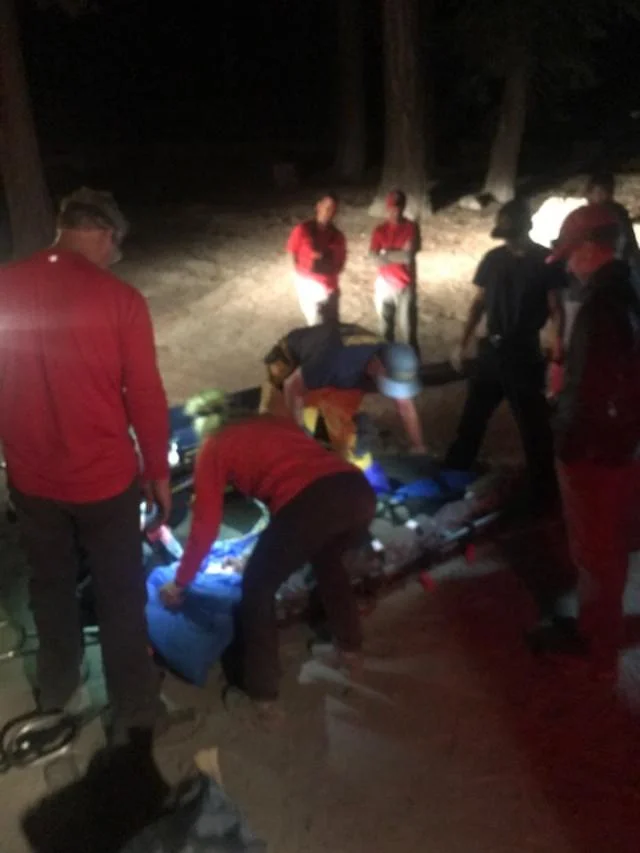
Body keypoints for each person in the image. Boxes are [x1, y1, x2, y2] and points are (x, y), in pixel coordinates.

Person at [0, 188, 196, 745]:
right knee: (119, 595)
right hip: (104, 482)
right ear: (105, 234)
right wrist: (157, 471)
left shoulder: (5, 285)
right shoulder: (120, 300)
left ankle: (58, 689)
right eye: (115, 247)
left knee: (50, 586)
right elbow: (145, 393)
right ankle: (134, 711)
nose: (114, 258)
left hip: (32, 479)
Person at [158, 398, 377, 724]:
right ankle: (351, 653)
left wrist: (180, 582)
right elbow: (292, 502)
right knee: (328, 562)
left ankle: (263, 695)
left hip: (312, 503)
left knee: (257, 588)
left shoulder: (214, 446)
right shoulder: (275, 423)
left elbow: (205, 526)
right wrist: (262, 553)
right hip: (356, 491)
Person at [531, 259, 640, 679]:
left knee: (596, 546)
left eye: (571, 250)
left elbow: (596, 387)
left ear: (592, 249)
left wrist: (572, 438)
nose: (567, 263)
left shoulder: (603, 307)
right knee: (609, 541)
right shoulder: (627, 292)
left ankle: (596, 642)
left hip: (596, 448)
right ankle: (604, 629)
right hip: (620, 444)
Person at [445, 199, 565, 506]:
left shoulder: (545, 261)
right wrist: (463, 341)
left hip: (523, 351)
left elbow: (555, 308)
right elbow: (478, 302)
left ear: (526, 229)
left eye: (513, 234)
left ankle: (544, 492)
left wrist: (557, 343)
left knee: (533, 427)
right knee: (472, 420)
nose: (509, 240)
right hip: (492, 349)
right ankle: (452, 477)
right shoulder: (493, 259)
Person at [258, 321, 427, 470]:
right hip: (290, 360)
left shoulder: (390, 358)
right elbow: (292, 386)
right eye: (390, 383)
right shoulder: (336, 361)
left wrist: (418, 446)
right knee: (283, 426)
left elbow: (405, 406)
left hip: (335, 368)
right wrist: (299, 432)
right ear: (376, 365)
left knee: (339, 423)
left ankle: (333, 452)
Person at [547, 172, 638, 353]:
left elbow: (629, 245)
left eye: (608, 192)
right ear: (589, 193)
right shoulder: (579, 216)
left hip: (612, 273)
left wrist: (630, 262)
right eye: (600, 191)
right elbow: (565, 243)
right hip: (581, 275)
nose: (604, 196)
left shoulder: (617, 214)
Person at [369, 189, 421, 354]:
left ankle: (413, 365)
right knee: (385, 332)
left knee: (409, 334)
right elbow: (373, 259)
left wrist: (385, 254)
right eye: (392, 207)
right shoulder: (380, 230)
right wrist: (399, 254)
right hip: (384, 286)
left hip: (405, 285)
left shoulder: (412, 227)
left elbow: (408, 256)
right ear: (387, 207)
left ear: (403, 207)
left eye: (398, 207)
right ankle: (387, 364)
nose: (395, 211)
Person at [286, 193, 346, 326]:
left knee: (332, 326)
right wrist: (300, 277)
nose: (329, 212)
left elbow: (341, 263)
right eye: (327, 207)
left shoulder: (338, 236)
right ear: (318, 206)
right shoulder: (302, 230)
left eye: (333, 209)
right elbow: (291, 252)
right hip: (308, 285)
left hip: (330, 288)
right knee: (316, 326)